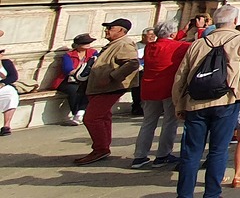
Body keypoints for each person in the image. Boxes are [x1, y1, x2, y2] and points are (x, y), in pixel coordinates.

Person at [173, 4, 240, 198]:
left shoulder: (198, 43)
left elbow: (181, 76)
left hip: (196, 102)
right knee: (218, 150)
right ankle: (212, 193)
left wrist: (179, 103)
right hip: (227, 99)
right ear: (234, 21)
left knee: (191, 151)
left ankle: (184, 194)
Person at [75, 18, 140, 165]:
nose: (107, 30)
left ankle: (100, 149)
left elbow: (132, 63)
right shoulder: (115, 43)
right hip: (101, 87)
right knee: (102, 117)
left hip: (109, 88)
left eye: (111, 28)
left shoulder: (124, 43)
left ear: (121, 30)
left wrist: (113, 77)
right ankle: (102, 147)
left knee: (92, 118)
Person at [131, 21, 190, 168]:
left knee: (148, 123)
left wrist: (181, 32)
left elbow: (168, 39)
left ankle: (140, 156)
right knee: (170, 122)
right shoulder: (180, 47)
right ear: (172, 33)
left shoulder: (150, 47)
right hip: (169, 89)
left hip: (149, 88)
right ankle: (163, 155)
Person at [55, 34, 97, 126]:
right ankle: (77, 113)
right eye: (85, 43)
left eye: (89, 42)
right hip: (68, 80)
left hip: (86, 79)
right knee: (74, 90)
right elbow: (67, 70)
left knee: (89, 89)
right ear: (77, 45)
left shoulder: (93, 53)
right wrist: (81, 71)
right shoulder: (69, 55)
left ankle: (80, 113)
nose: (88, 44)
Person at [0, 47, 17, 136]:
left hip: (3, 86)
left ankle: (6, 126)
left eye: (1, 52)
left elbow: (13, 76)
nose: (1, 54)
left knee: (11, 94)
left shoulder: (6, 62)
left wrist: (2, 83)